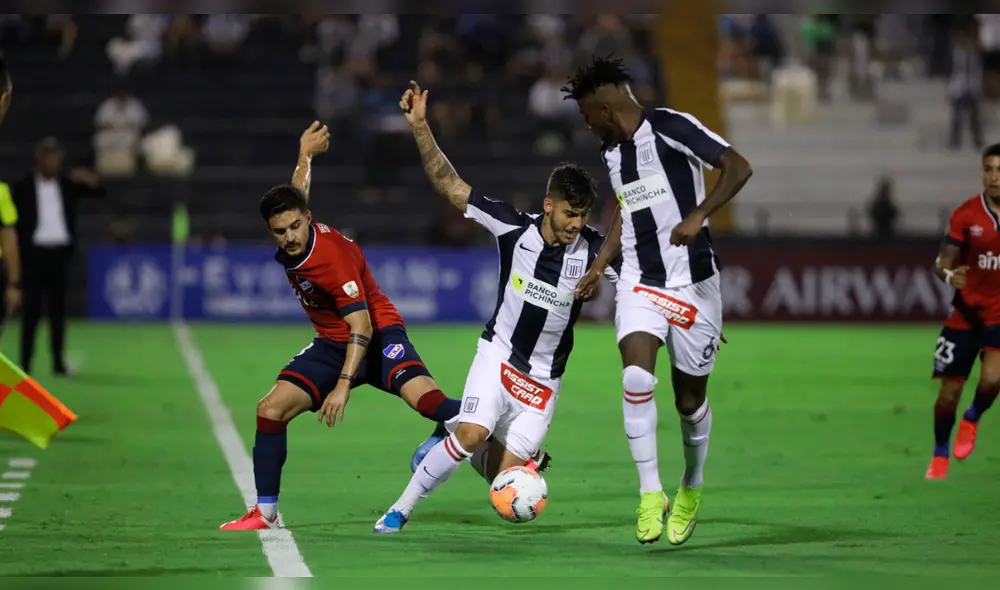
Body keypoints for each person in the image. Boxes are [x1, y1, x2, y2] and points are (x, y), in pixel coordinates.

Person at [373, 82, 618, 534]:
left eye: (583, 216)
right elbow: (450, 186)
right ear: (549, 206)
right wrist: (422, 128)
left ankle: (450, 426)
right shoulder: (512, 227)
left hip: (543, 381)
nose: (576, 225)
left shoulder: (596, 252)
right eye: (569, 215)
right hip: (499, 355)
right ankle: (399, 509)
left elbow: (647, 274)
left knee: (502, 477)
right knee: (471, 438)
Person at [219, 122, 465, 531]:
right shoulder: (296, 228)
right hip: (335, 343)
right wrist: (305, 155)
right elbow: (297, 191)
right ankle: (264, 513)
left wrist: (343, 386)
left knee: (430, 403)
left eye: (295, 226)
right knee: (270, 409)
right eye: (280, 231)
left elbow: (363, 325)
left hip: (377, 333)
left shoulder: (331, 259)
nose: (290, 236)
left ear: (309, 219)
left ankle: (506, 436)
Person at [565, 56, 752, 546]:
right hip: (640, 282)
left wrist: (700, 215)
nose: (586, 126)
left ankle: (690, 485)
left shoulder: (672, 127)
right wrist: (602, 264)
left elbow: (738, 166)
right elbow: (628, 213)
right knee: (634, 374)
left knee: (689, 402)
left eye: (587, 116)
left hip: (694, 284)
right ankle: (651, 492)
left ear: (605, 110)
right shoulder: (611, 155)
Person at [925, 143, 1000, 479]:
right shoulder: (966, 215)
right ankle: (940, 451)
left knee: (993, 378)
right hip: (965, 315)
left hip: (999, 317)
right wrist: (947, 275)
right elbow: (943, 261)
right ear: (982, 172)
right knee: (948, 394)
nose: (995, 177)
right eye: (989, 169)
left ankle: (973, 416)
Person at [11, 137, 105, 376]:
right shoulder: (22, 188)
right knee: (31, 313)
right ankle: (25, 363)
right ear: (39, 160)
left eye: (57, 159)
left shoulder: (68, 185)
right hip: (33, 255)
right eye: (49, 158)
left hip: (60, 255)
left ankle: (58, 362)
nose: (54, 163)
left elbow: (100, 192)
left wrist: (90, 178)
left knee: (58, 313)